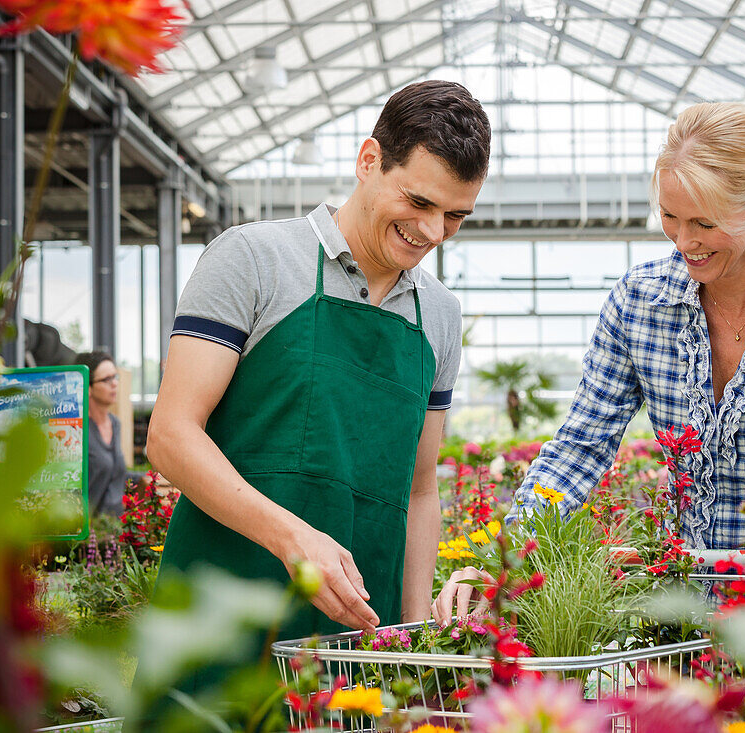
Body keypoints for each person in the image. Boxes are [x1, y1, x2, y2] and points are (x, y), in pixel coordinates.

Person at [433, 102, 745, 623]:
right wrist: (506, 553)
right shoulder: (641, 303)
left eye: (705, 222)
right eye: (670, 217)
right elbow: (580, 447)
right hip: (689, 616)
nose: (684, 242)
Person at [146, 80, 491, 646]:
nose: (432, 232)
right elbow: (170, 434)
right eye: (419, 202)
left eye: (456, 215)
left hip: (358, 637)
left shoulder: (441, 316)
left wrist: (417, 644)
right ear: (369, 160)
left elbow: (420, 489)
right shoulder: (253, 258)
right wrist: (294, 539)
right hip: (217, 613)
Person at [75, 351, 148, 517]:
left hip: (115, 529)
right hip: (88, 532)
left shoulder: (115, 424)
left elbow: (116, 474)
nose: (114, 384)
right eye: (106, 380)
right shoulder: (77, 430)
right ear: (88, 387)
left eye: (115, 377)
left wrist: (153, 476)